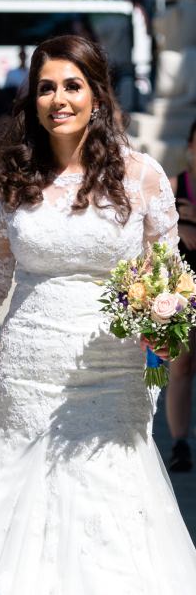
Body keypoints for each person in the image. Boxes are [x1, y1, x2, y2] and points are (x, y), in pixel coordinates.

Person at [0, 36, 196, 593]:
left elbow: (172, 282)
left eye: (72, 86)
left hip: (115, 374)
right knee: (21, 506)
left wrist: (159, 363)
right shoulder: (12, 180)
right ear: (32, 100)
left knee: (110, 510)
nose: (59, 98)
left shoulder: (142, 176)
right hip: (28, 370)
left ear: (98, 96)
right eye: (46, 87)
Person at [167, 119, 196, 472]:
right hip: (184, 289)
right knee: (182, 365)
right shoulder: (174, 186)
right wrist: (181, 225)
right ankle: (179, 443)